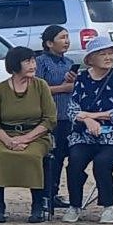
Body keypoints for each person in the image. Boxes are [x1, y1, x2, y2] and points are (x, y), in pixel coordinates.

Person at [63, 36, 113, 224]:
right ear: (91, 59)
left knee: (102, 162)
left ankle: (109, 206)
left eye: (111, 53)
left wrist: (91, 116)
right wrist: (86, 121)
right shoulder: (82, 79)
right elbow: (72, 109)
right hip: (85, 136)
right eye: (103, 53)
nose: (108, 57)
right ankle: (74, 205)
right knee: (75, 161)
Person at [0, 46, 57, 223]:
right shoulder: (1, 89)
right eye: (27, 61)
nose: (33, 65)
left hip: (36, 135)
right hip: (5, 134)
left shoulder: (41, 86)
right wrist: (9, 141)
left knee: (32, 155)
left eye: (33, 61)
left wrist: (25, 139)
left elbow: (49, 120)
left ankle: (37, 205)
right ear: (15, 65)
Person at [36, 25, 76, 209]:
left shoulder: (69, 62)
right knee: (52, 156)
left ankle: (56, 192)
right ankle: (47, 194)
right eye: (62, 37)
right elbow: (37, 89)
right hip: (50, 115)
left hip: (68, 115)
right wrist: (63, 88)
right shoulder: (41, 62)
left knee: (65, 154)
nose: (66, 41)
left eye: (67, 37)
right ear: (49, 43)